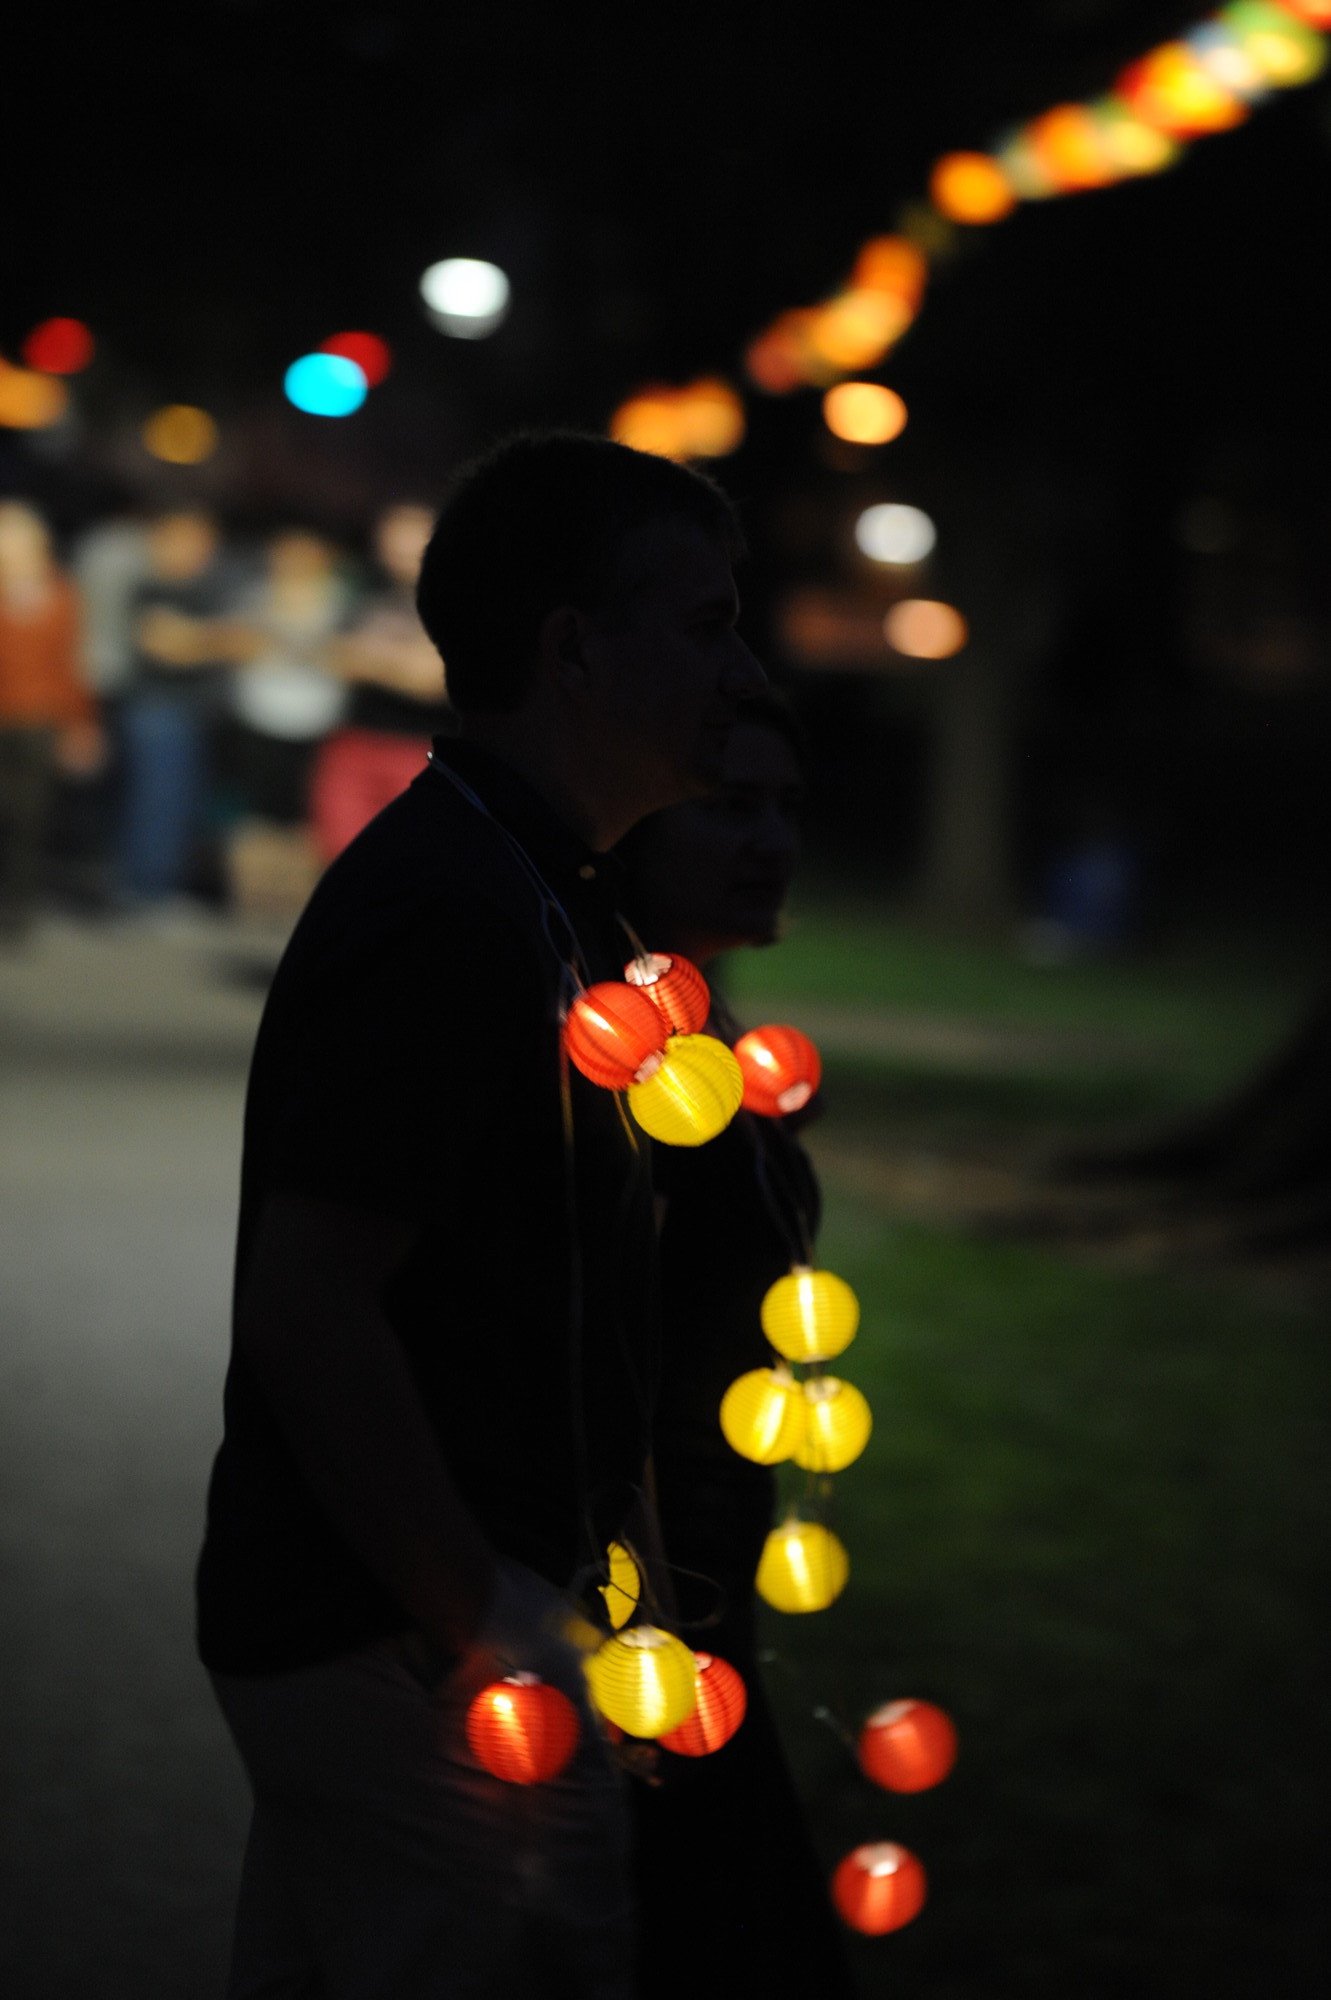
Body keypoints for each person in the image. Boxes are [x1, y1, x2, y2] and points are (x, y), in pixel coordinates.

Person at [195, 430, 766, 1998]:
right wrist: (483, 1622)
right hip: (404, 1654)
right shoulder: (455, 913)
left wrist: (621, 1583)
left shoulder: (543, 894)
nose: (743, 667)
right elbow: (312, 1302)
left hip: (398, 1635)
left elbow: (555, 1289)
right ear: (574, 649)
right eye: (706, 624)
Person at [617, 693, 857, 1996]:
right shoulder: (629, 1077)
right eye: (727, 806)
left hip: (711, 1589)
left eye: (783, 809)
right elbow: (595, 1353)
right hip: (649, 1622)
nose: (770, 842)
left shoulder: (703, 1044)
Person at [309, 502, 455, 862]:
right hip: (355, 739)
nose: (402, 548)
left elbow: (431, 680)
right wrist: (398, 663)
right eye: (395, 536)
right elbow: (332, 655)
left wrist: (372, 660)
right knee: (340, 857)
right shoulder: (362, 591)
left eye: (415, 537)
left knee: (416, 862)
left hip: (423, 748)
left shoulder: (464, 603)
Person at [115, 508, 246, 910]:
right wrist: (214, 639)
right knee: (156, 802)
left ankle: (164, 885)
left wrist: (201, 639)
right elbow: (167, 645)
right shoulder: (151, 588)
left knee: (184, 803)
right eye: (180, 539)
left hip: (201, 714)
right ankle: (144, 889)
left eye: (200, 541)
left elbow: (245, 639)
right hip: (156, 712)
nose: (191, 550)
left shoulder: (217, 588)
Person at [0, 501, 102, 938]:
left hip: (39, 719)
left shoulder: (62, 594)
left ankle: (18, 909)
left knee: (28, 818)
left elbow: (71, 664)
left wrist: (81, 724)